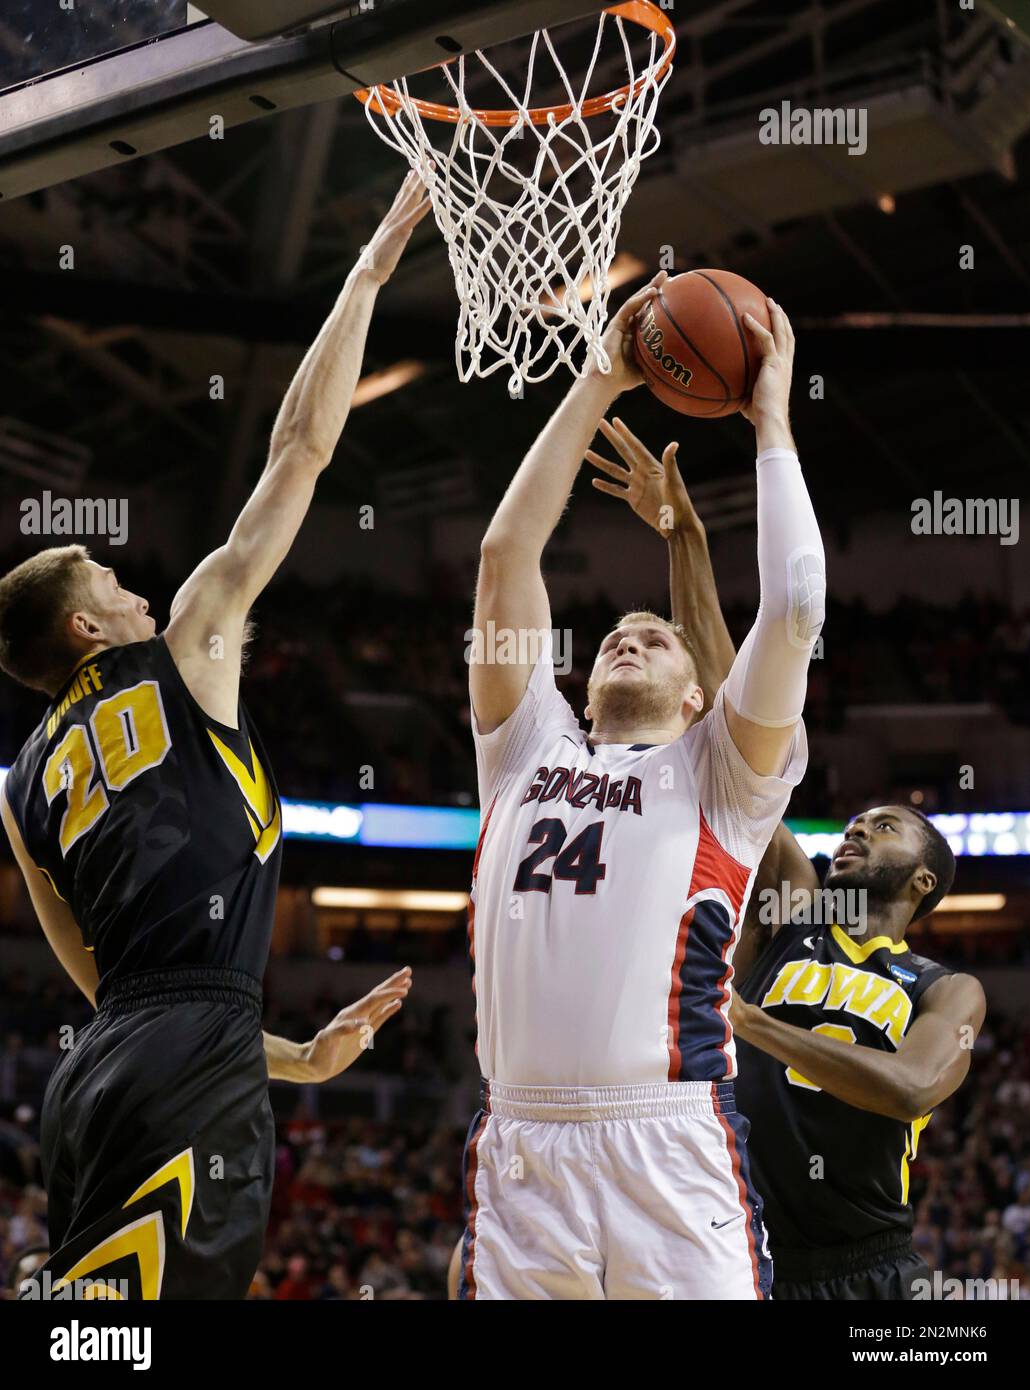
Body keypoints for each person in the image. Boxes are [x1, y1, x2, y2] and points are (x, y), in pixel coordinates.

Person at [0, 175, 429, 1300]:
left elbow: (112, 986)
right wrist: (370, 266)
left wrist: (293, 1057)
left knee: (110, 1317)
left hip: (100, 1078)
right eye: (111, 581)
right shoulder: (188, 643)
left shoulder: (20, 781)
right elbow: (300, 450)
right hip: (182, 1057)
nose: (140, 590)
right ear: (87, 626)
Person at [460, 280, 824, 1299]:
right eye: (614, 635)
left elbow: (793, 606)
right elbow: (503, 555)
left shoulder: (721, 774)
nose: (628, 634)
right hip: (522, 1144)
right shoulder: (524, 750)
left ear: (700, 691)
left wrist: (769, 420)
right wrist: (600, 376)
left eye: (654, 635)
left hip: (667, 1141)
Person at [589, 416, 987, 1301]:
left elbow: (914, 1089)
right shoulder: (798, 913)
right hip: (735, 1253)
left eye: (884, 827)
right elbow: (733, 710)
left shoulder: (945, 989)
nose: (856, 829)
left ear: (922, 881)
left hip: (871, 1266)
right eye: (855, 820)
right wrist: (683, 538)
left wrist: (744, 1020)